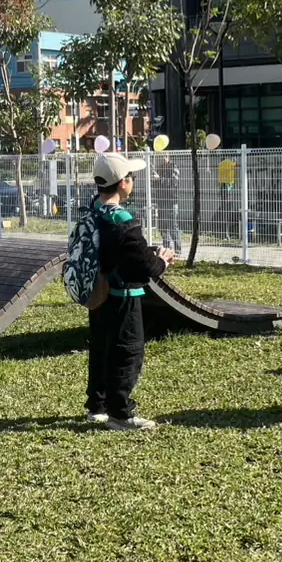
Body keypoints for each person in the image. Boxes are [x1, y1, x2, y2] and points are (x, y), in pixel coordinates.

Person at [87, 152, 176, 431]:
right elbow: (143, 267)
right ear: (123, 183)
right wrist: (161, 259)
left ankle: (97, 405)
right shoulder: (123, 220)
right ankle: (121, 413)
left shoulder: (94, 212)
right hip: (123, 297)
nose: (133, 181)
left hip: (98, 296)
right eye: (131, 177)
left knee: (101, 350)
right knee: (128, 353)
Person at [154, 154, 184, 253]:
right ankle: (166, 249)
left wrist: (160, 179)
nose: (161, 159)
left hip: (171, 200)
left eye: (163, 157)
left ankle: (177, 250)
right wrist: (154, 179)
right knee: (163, 225)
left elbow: (174, 182)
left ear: (168, 157)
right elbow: (155, 184)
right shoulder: (159, 168)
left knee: (172, 225)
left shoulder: (174, 167)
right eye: (159, 157)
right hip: (161, 200)